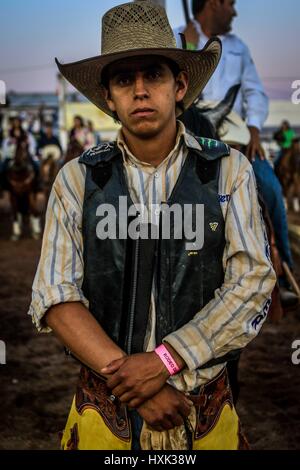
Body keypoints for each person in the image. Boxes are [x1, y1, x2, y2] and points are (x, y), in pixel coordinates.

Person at [28, 1, 276, 450]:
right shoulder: (77, 179)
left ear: (179, 85)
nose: (140, 91)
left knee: (271, 191)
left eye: (153, 76)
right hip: (106, 415)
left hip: (204, 411)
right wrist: (136, 382)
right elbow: (55, 295)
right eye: (125, 79)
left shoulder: (229, 170)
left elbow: (253, 280)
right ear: (108, 96)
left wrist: (164, 361)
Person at [175, 0, 294, 282]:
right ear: (214, 4)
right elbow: (175, 87)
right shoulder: (178, 38)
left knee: (270, 187)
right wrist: (188, 50)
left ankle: (284, 268)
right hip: (192, 136)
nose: (235, 11)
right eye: (230, 3)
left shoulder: (239, 47)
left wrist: (253, 128)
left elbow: (255, 92)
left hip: (237, 139)